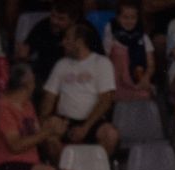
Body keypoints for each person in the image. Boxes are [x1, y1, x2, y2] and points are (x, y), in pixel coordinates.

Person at [0, 64, 75, 170]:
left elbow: (38, 136)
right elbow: (16, 146)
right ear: (27, 84)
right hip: (4, 168)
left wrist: (55, 132)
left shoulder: (28, 105)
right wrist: (47, 132)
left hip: (31, 167)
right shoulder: (2, 108)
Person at [40, 21, 120, 158]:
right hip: (64, 121)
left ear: (79, 41)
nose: (63, 42)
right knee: (49, 136)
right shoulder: (61, 64)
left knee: (110, 135)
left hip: (92, 122)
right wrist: (44, 120)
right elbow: (49, 97)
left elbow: (106, 100)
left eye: (67, 39)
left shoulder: (101, 63)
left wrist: (85, 127)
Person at [16, 0, 81, 87]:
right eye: (53, 16)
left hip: (77, 78)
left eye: (61, 19)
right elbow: (25, 53)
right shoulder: (42, 26)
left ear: (73, 20)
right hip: (44, 78)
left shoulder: (84, 31)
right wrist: (22, 56)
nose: (54, 21)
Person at [104, 0, 155, 101]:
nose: (129, 21)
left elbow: (151, 64)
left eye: (133, 18)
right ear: (118, 18)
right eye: (125, 17)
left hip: (137, 81)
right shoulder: (111, 30)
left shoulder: (142, 35)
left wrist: (146, 78)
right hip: (115, 82)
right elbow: (105, 57)